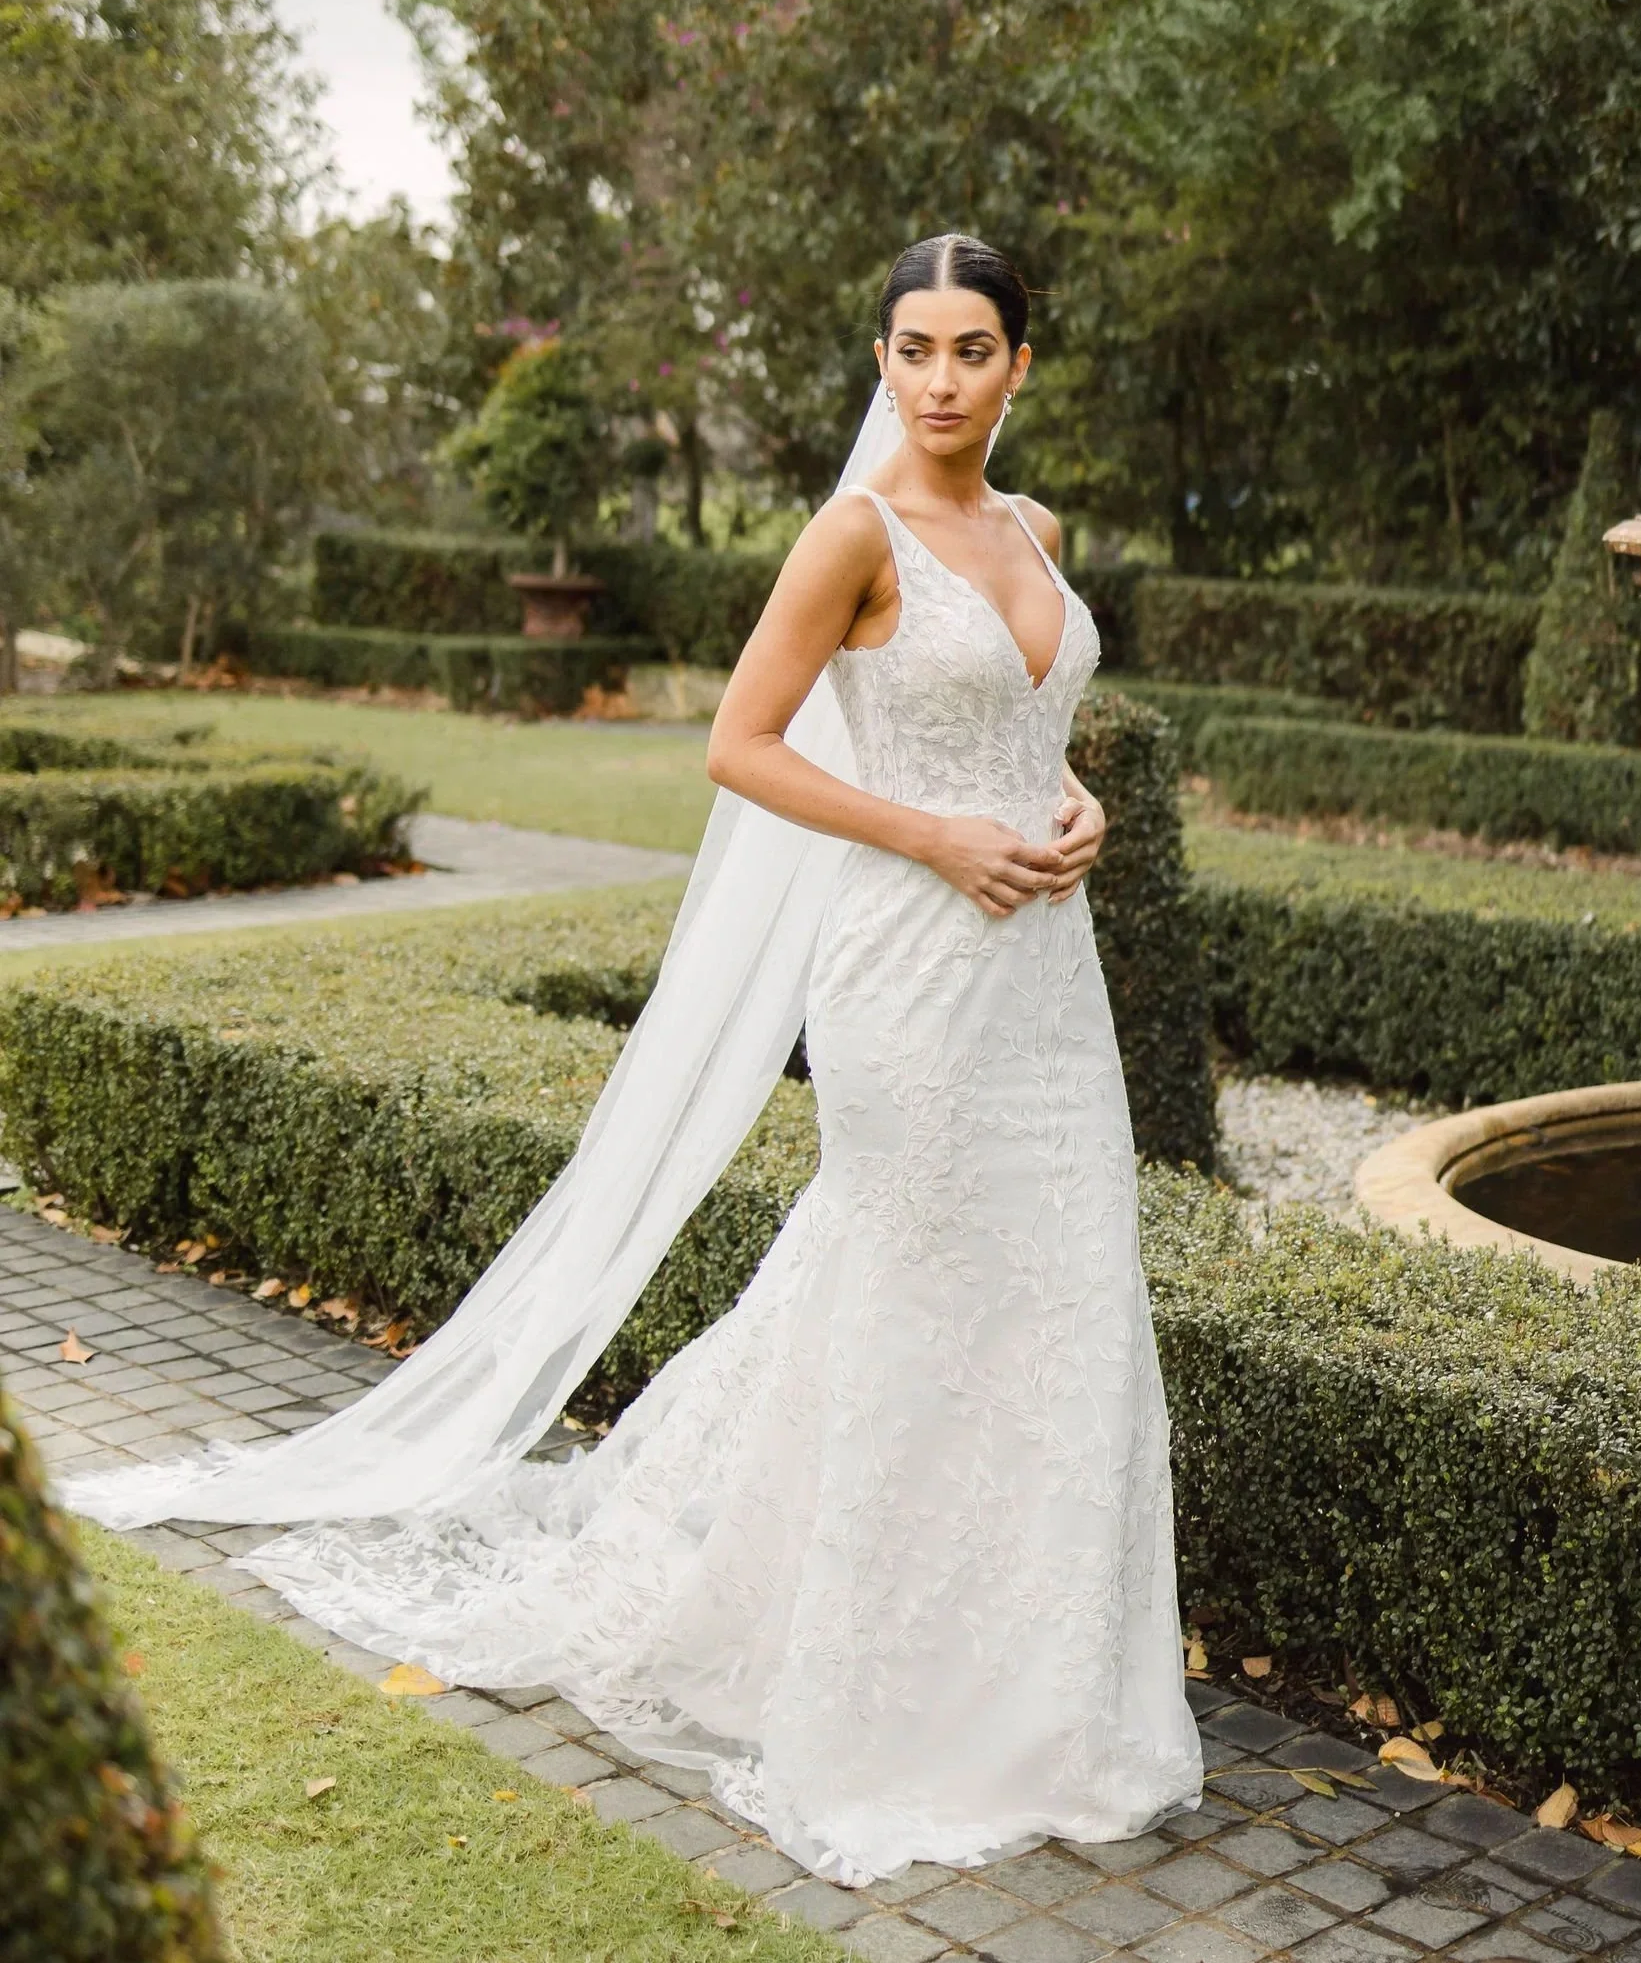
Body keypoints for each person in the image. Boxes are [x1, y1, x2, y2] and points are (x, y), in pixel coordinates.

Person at [63, 232, 1204, 1889]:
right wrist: (933, 837)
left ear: (1023, 365)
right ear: (880, 362)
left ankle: (1048, 1698)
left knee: (1063, 1291)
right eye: (911, 350)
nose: (941, 381)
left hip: (1049, 981)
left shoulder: (1034, 531)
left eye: (973, 350)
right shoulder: (849, 534)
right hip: (909, 972)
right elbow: (742, 745)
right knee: (912, 1284)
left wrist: (1071, 803)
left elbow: (1035, 730)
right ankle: (875, 1693)